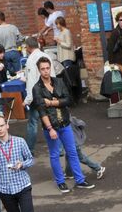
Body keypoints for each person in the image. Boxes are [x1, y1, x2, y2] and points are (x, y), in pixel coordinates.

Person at [31, 59, 93, 194]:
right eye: (43, 69)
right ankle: (60, 182)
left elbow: (69, 100)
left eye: (48, 68)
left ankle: (80, 180)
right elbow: (42, 111)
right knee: (55, 155)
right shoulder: (37, 88)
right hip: (51, 126)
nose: (46, 71)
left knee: (72, 152)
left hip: (65, 123)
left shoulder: (59, 82)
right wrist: (50, 129)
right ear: (39, 70)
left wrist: (53, 103)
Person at [54, 16, 77, 94]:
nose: (56, 26)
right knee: (66, 77)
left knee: (69, 78)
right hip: (63, 57)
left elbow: (68, 45)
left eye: (57, 24)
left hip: (67, 57)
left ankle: (72, 94)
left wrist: (59, 41)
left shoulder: (66, 32)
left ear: (61, 23)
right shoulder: (61, 32)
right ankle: (69, 93)